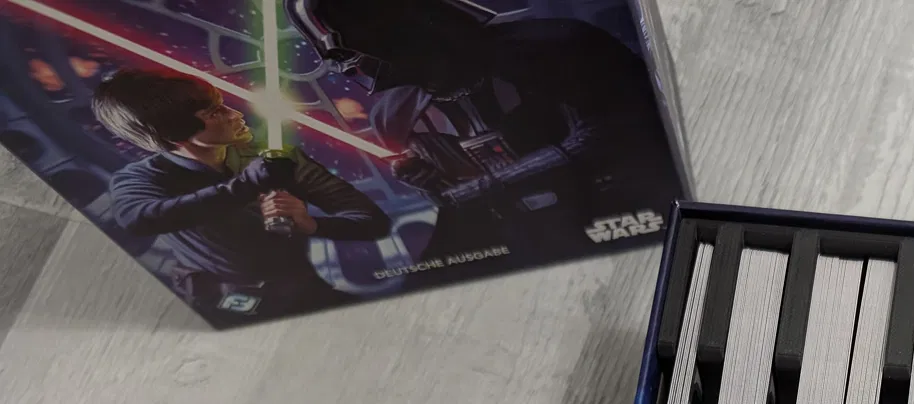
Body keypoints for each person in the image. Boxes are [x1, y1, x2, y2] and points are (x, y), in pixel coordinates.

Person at [286, 0, 680, 266]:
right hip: (528, 244)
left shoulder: (557, 46)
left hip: (633, 217)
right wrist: (431, 182)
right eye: (338, 57)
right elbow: (456, 203)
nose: (350, 68)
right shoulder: (394, 114)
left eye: (349, 48)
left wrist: (482, 188)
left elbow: (613, 134)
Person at [91, 70, 391, 321]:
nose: (235, 115)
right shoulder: (141, 179)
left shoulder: (273, 157)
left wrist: (311, 224)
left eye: (222, 105)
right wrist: (246, 185)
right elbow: (137, 219)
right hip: (224, 308)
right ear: (175, 132)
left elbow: (372, 221)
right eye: (214, 113)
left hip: (305, 292)